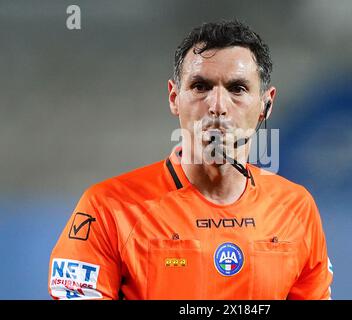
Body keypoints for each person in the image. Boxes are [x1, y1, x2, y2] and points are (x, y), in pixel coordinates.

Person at [48, 20, 333, 300]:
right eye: (200, 86)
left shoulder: (297, 208)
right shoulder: (107, 208)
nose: (218, 106)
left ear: (265, 105)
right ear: (174, 97)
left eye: (237, 89)